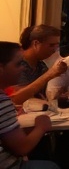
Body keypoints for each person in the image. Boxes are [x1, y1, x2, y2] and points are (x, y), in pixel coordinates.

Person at [0, 41, 57, 169]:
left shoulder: (41, 66)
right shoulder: (1, 101)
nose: (23, 68)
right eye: (18, 64)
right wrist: (41, 126)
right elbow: (22, 148)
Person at [9, 26, 66, 105]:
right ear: (36, 43)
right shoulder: (16, 64)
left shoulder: (41, 66)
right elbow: (16, 99)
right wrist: (49, 75)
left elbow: (41, 96)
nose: (54, 50)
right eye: (51, 45)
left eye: (57, 46)